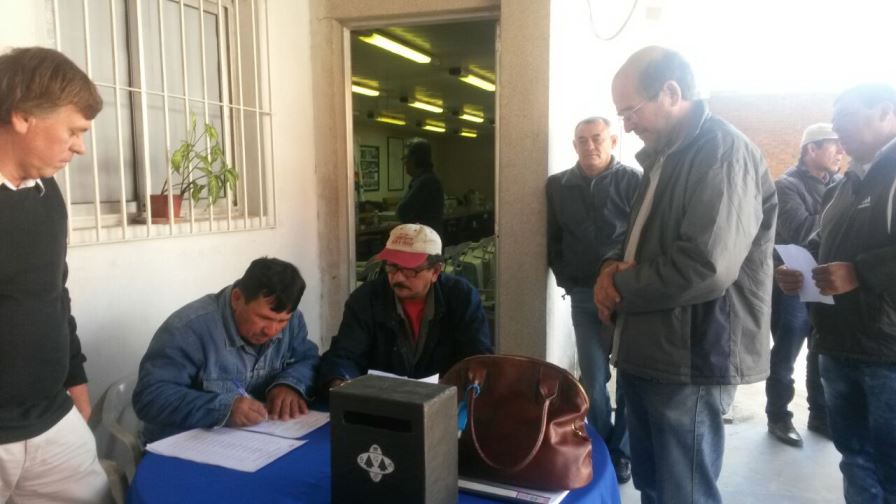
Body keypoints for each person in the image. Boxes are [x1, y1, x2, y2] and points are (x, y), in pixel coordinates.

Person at [594, 46, 776, 503]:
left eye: (630, 111)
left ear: (671, 93)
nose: (627, 125)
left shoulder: (721, 152)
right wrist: (606, 269)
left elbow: (705, 267)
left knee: (685, 492)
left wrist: (617, 286)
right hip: (651, 349)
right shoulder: (664, 157)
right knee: (655, 486)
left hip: (692, 356)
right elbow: (633, 240)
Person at [776, 83, 896, 503]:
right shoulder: (842, 186)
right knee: (854, 457)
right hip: (837, 344)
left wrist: (860, 272)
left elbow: (860, 265)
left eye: (845, 113)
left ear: (886, 112)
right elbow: (819, 240)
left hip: (887, 353)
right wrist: (797, 268)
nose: (836, 125)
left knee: (890, 464)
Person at [0, 47, 110, 503]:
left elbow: (54, 292)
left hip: (51, 423)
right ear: (23, 116)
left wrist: (75, 377)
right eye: (73, 130)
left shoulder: (47, 193)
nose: (80, 146)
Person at [133, 257, 320, 443]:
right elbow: (151, 398)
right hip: (182, 446)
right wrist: (224, 409)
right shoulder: (188, 329)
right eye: (263, 318)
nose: (271, 331)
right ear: (237, 298)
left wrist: (290, 384)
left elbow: (308, 359)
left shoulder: (293, 321)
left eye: (281, 321)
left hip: (256, 441)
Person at [546, 116, 641, 483]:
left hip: (628, 297)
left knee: (630, 379)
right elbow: (553, 239)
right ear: (574, 145)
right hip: (584, 296)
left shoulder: (634, 181)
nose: (590, 146)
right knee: (594, 379)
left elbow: (642, 237)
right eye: (582, 140)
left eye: (597, 138)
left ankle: (625, 451)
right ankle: (601, 447)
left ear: (613, 141)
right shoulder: (557, 187)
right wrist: (567, 276)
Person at [319, 223, 492, 388]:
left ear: (435, 271)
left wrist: (472, 375)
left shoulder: (461, 297)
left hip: (445, 400)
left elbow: (478, 357)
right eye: (392, 267)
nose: (398, 278)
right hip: (381, 402)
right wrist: (340, 381)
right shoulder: (366, 298)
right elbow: (344, 353)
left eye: (410, 270)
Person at [765, 123, 843, 447]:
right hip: (793, 284)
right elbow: (802, 230)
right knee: (786, 352)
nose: (841, 151)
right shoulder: (786, 186)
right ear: (811, 149)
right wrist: (841, 220)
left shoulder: (841, 184)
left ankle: (820, 415)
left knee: (820, 350)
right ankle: (778, 416)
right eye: (833, 145)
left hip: (825, 281)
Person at [396, 138, 445, 235]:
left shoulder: (425, 182)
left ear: (415, 159)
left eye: (406, 158)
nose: (404, 163)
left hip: (425, 242)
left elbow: (402, 212)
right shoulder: (428, 179)